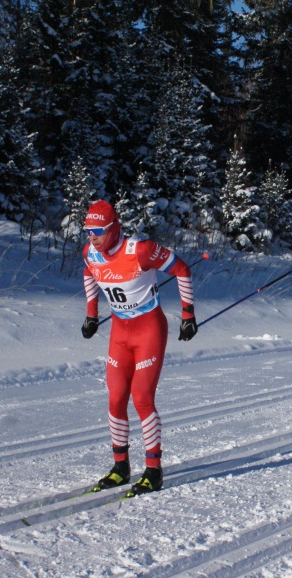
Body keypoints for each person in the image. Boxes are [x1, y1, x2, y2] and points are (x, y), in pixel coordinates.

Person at [80, 200, 198, 496]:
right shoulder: (90, 252)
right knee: (116, 397)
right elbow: (88, 274)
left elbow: (182, 269)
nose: (91, 237)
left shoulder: (140, 251)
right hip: (120, 332)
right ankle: (120, 468)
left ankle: (154, 470)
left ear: (112, 228)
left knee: (142, 397)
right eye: (87, 231)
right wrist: (91, 315)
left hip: (149, 329)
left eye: (97, 230)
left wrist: (188, 315)